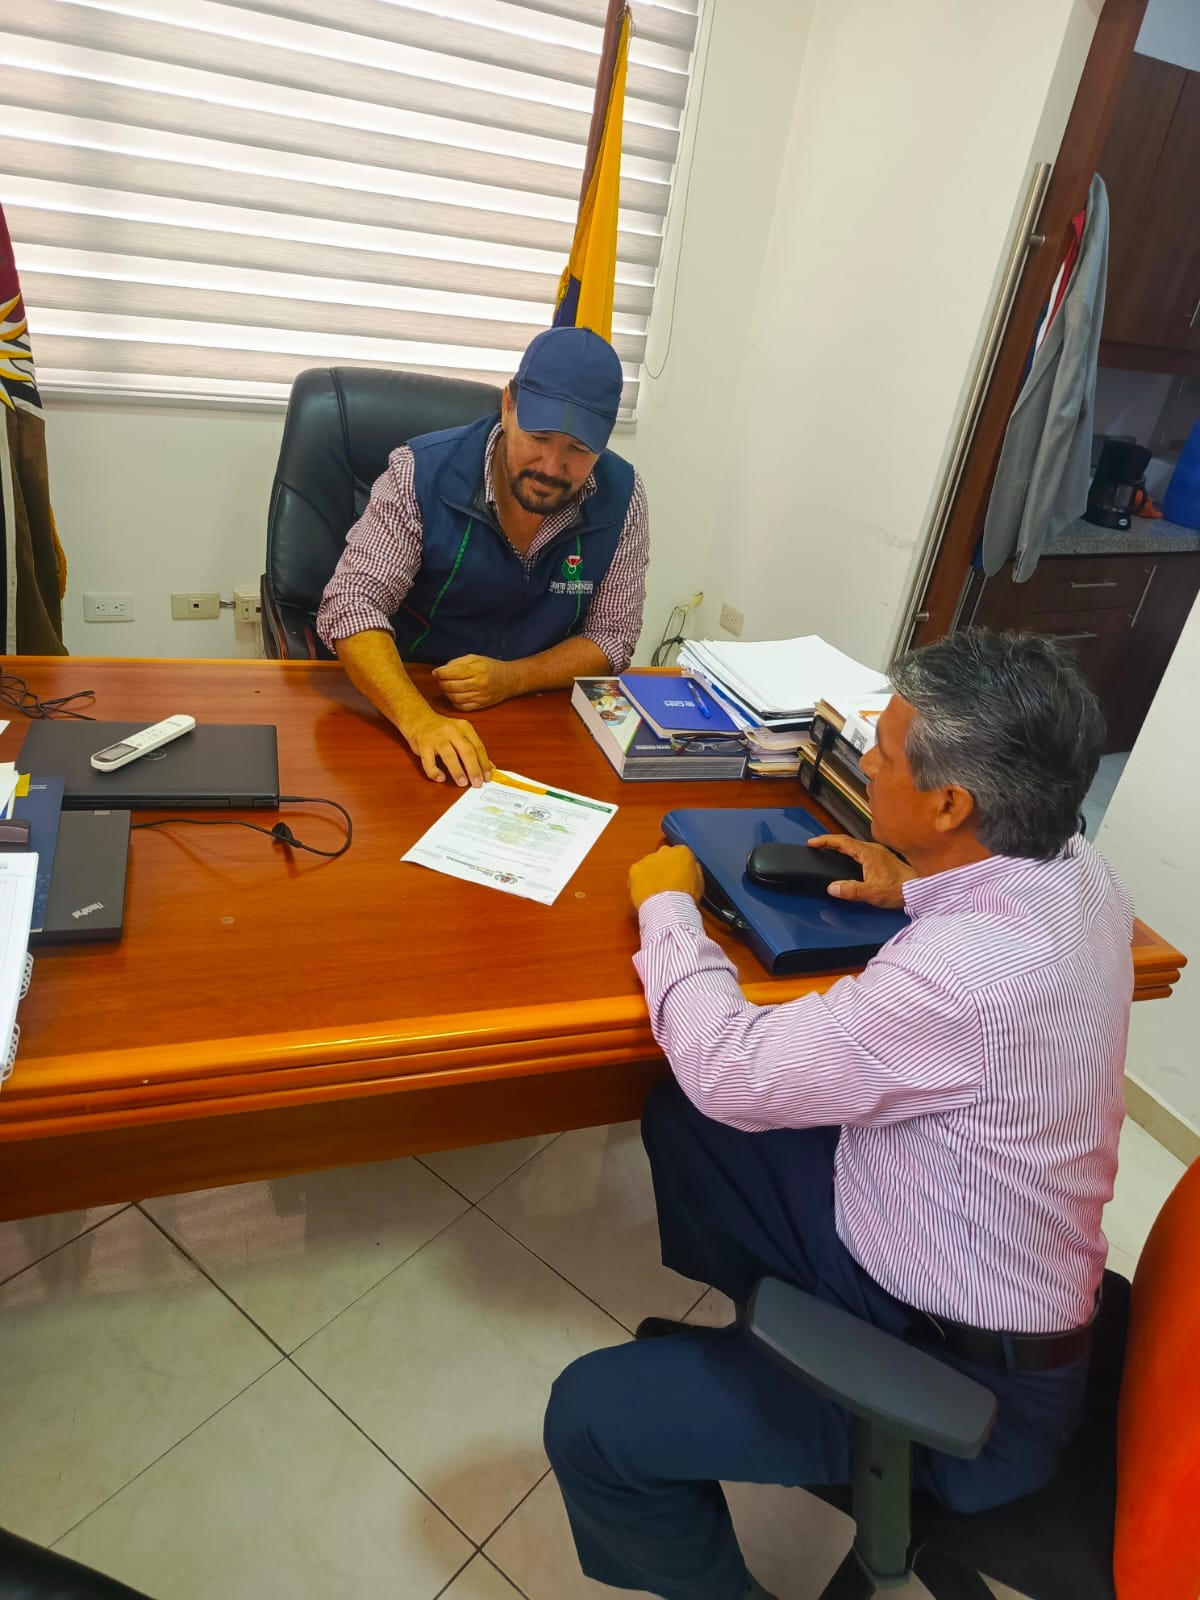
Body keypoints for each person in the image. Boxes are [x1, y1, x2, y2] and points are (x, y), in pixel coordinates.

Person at [544, 629, 1132, 1600]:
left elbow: (730, 1065)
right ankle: (766, 1340)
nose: (864, 762)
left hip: (954, 1393)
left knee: (590, 1419)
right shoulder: (1076, 870)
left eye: (885, 753)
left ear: (951, 804)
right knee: (690, 1128)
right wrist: (917, 882)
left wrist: (669, 909)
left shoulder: (966, 978)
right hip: (967, 1279)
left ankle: (786, 1436)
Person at [316, 326, 649, 788]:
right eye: (539, 437)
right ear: (508, 405)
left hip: (540, 717)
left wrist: (513, 678)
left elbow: (613, 636)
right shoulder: (419, 472)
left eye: (578, 449)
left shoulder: (623, 498)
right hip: (414, 701)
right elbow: (351, 603)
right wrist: (419, 719)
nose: (552, 468)